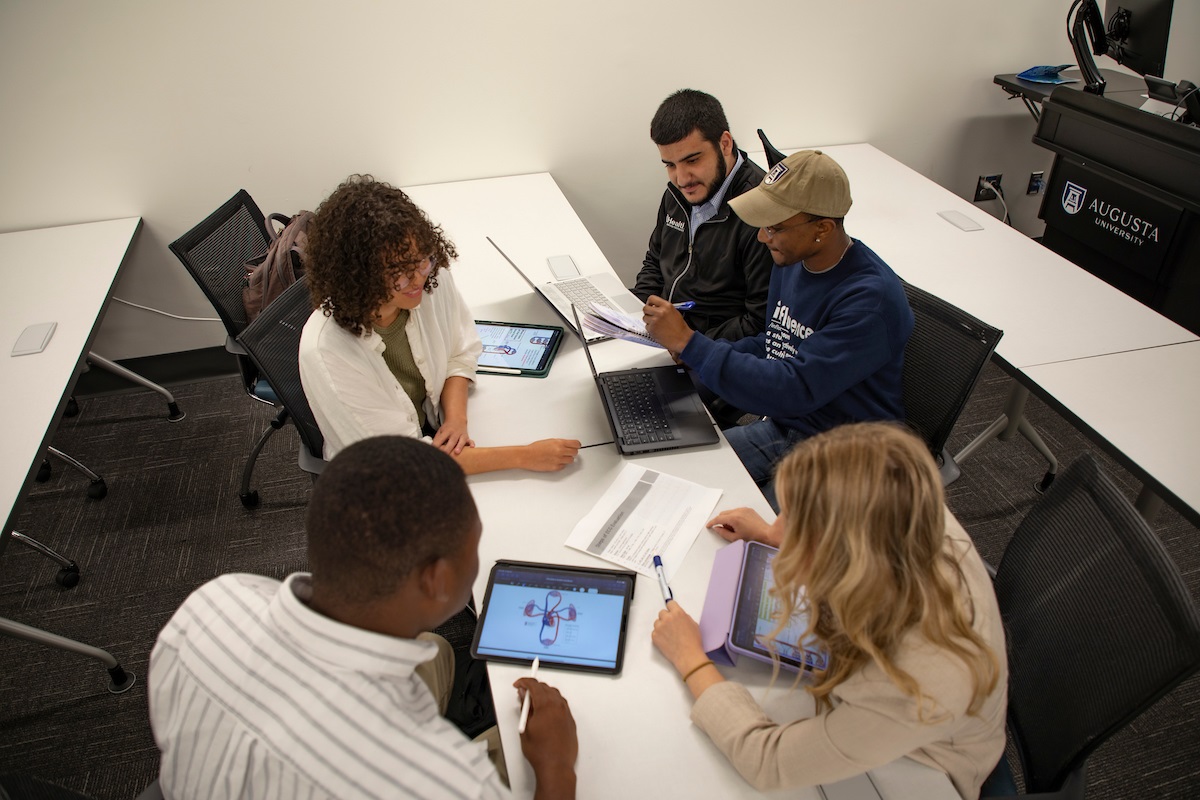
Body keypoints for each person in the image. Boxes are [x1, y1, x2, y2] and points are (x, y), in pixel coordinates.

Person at [149, 435, 579, 800]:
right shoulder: (446, 781)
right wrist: (556, 766)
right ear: (437, 579)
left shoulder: (214, 601)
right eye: (475, 544)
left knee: (435, 651)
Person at [650, 422, 1007, 800]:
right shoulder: (905, 510)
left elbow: (768, 762)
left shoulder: (918, 680)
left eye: (798, 524)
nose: (780, 530)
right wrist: (777, 535)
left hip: (923, 765)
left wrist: (692, 660)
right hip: (878, 697)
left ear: (846, 562)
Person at [643, 149, 913, 507]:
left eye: (774, 226)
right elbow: (773, 343)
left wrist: (693, 345)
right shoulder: (792, 259)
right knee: (680, 482)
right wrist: (690, 361)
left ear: (822, 229)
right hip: (790, 425)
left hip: (848, 454)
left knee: (739, 527)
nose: (761, 237)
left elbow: (793, 387)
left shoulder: (868, 301)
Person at [299, 174, 580, 473]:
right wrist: (525, 456)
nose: (419, 278)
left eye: (423, 261)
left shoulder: (425, 282)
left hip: (430, 434)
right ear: (358, 274)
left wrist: (456, 419)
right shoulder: (328, 352)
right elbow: (403, 462)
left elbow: (460, 352)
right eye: (400, 273)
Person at [632, 89, 773, 342]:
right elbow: (655, 259)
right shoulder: (677, 193)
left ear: (725, 144)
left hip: (710, 353)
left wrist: (688, 343)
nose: (681, 178)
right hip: (664, 339)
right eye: (670, 165)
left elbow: (760, 320)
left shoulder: (760, 211)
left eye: (692, 160)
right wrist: (634, 315)